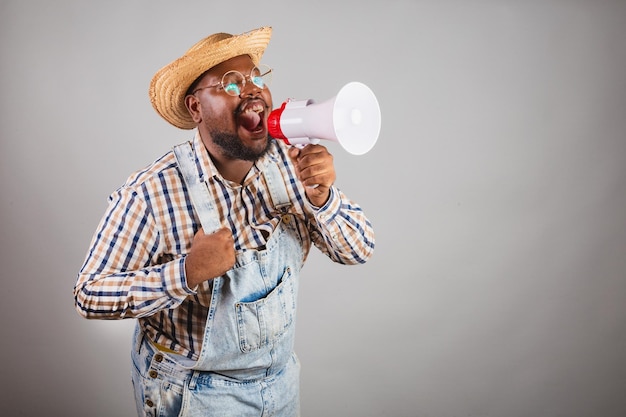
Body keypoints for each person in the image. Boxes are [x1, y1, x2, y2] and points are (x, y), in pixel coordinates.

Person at [74, 26, 375, 417]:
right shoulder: (152, 193)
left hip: (280, 384)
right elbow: (90, 294)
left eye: (255, 79)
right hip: (194, 394)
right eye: (231, 83)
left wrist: (323, 199)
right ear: (196, 107)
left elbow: (360, 249)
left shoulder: (289, 163)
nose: (252, 91)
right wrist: (186, 273)